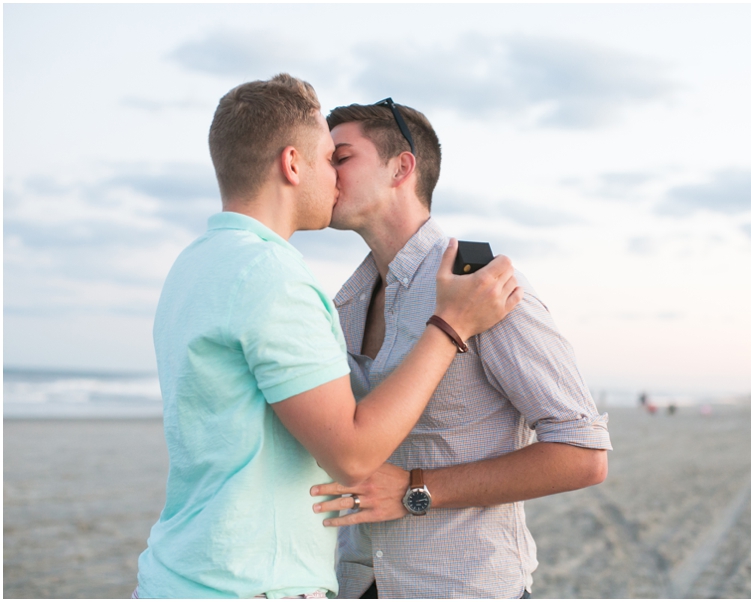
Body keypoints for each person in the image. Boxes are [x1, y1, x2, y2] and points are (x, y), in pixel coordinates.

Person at [134, 75, 522, 599]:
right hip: (251, 583)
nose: (335, 179)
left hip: (178, 572)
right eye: (327, 159)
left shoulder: (194, 264)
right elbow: (353, 455)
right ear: (292, 165)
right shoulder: (273, 276)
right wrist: (450, 325)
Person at [308, 100, 613, 598]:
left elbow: (584, 454)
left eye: (340, 157)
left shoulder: (480, 283)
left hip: (464, 586)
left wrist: (415, 491)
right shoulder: (346, 302)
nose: (326, 174)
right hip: (359, 583)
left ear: (401, 167)